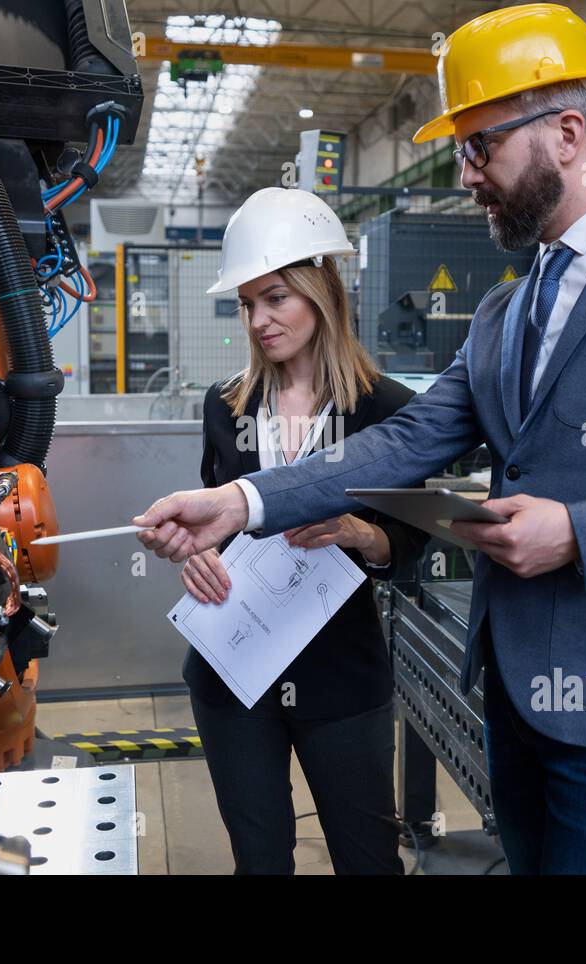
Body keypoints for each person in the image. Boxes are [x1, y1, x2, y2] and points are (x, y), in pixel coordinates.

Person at [134, 4, 586, 875]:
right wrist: (238, 500)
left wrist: (583, 532)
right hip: (514, 697)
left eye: (480, 148)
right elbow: (406, 442)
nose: (466, 174)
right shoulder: (507, 310)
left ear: (568, 133)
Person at [179, 187, 428, 875]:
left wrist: (357, 532)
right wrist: (194, 553)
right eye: (246, 303)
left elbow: (407, 545)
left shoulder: (388, 410)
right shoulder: (227, 405)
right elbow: (213, 518)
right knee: (260, 860)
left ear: (322, 291)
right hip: (233, 668)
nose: (259, 320)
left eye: (277, 298)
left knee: (368, 858)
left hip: (340, 676)